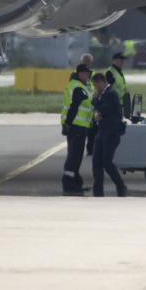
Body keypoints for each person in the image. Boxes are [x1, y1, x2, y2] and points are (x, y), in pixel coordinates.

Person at [90, 73, 128, 197]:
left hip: (111, 133)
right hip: (102, 132)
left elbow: (104, 109)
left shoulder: (111, 94)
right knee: (96, 161)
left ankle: (121, 185)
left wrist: (94, 100)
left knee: (107, 162)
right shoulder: (103, 94)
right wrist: (97, 112)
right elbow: (99, 110)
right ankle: (98, 190)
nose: (96, 89)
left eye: (96, 86)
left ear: (101, 82)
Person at [61, 64, 93, 195]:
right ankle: (69, 186)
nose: (88, 76)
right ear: (80, 73)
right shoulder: (79, 88)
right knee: (74, 157)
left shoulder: (77, 86)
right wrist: (68, 124)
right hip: (77, 127)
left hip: (79, 126)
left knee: (76, 157)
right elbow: (74, 107)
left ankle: (75, 183)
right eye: (86, 74)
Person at [80, 53, 97, 156]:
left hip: (92, 106)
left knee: (92, 130)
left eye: (89, 62)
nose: (87, 64)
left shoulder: (93, 74)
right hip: (81, 107)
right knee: (81, 130)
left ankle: (90, 149)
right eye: (85, 62)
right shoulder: (75, 74)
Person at [105, 51, 131, 118]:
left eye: (123, 60)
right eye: (121, 60)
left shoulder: (119, 71)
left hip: (121, 103)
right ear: (115, 60)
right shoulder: (110, 72)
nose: (123, 62)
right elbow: (107, 88)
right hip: (113, 103)